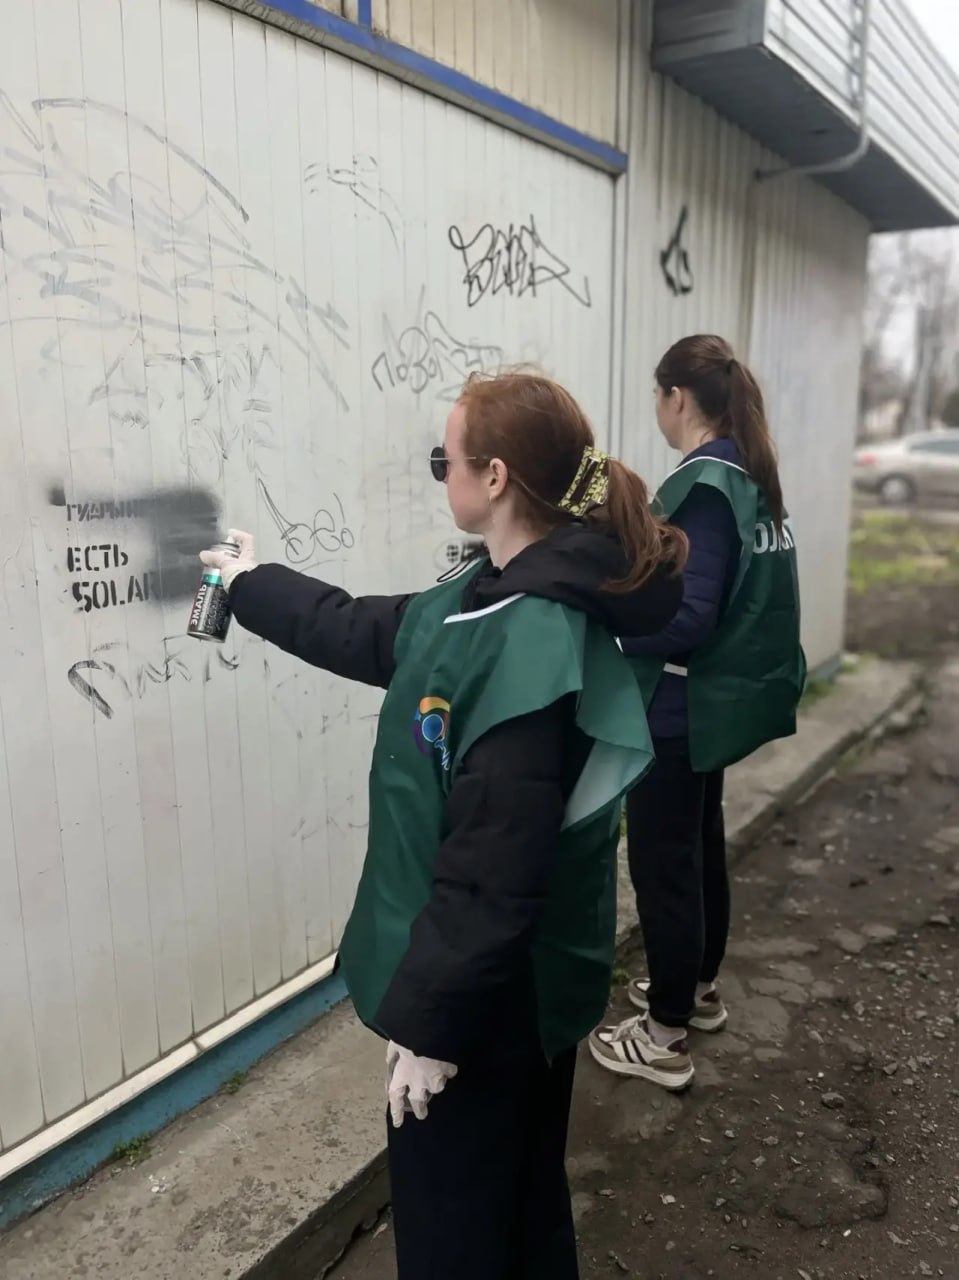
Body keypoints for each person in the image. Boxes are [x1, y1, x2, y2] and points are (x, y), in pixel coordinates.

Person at [200, 371, 687, 1280]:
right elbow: (363, 631)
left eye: (443, 459)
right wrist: (249, 581)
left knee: (454, 1234)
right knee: (520, 1207)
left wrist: (430, 1030)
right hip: (505, 987)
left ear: (494, 477)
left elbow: (489, 874)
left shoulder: (529, 635)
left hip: (486, 1004)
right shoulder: (490, 593)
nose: (441, 473)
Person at [589, 334, 805, 1091]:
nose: (654, 408)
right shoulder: (747, 476)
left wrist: (601, 622)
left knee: (664, 869)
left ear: (675, 398)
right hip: (712, 703)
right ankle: (697, 991)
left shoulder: (705, 485)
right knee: (698, 850)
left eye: (655, 395)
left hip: (678, 709)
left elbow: (686, 618)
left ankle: (664, 1035)